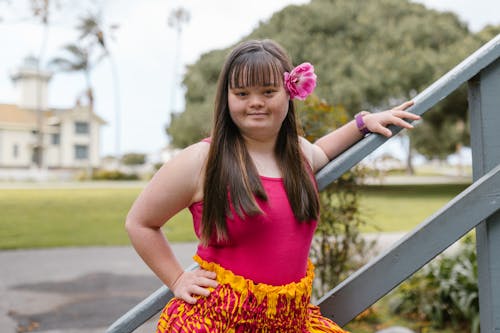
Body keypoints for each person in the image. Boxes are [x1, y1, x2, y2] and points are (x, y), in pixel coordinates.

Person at [125, 39, 420, 333]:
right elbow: (140, 222)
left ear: (289, 93)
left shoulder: (298, 154)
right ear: (226, 98)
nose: (255, 102)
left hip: (290, 321)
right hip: (219, 321)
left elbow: (325, 151)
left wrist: (364, 122)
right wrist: (177, 279)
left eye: (268, 91)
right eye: (242, 93)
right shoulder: (203, 159)